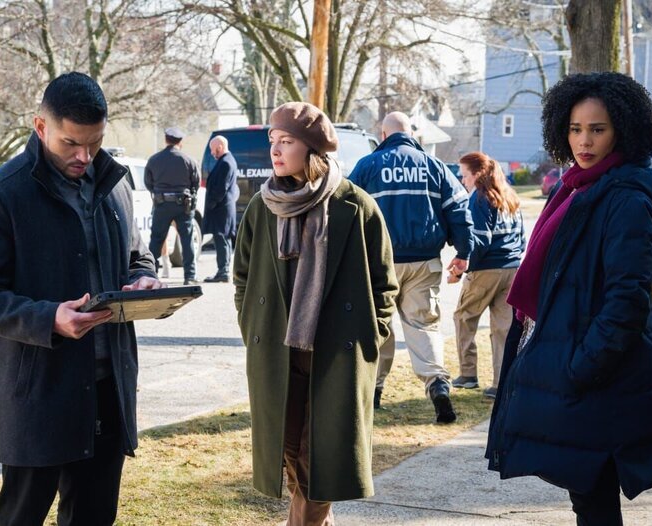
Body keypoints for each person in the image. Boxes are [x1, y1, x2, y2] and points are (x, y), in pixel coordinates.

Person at [0, 72, 161, 526]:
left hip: (109, 390)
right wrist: (50, 317)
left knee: (93, 518)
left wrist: (144, 279)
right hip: (38, 394)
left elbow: (138, 256)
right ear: (40, 126)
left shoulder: (116, 185)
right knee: (22, 517)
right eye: (71, 143)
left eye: (95, 142)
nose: (84, 157)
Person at [486, 72, 652, 525]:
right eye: (576, 129)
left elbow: (627, 298)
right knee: (587, 498)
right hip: (573, 360)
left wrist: (582, 366)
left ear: (623, 131)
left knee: (593, 500)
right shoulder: (576, 187)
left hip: (599, 374)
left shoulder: (626, 197)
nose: (584, 140)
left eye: (598, 129)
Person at [233, 102, 398, 525]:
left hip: (335, 356)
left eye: (286, 141)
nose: (275, 149)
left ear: (312, 151)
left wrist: (370, 336)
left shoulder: (355, 206)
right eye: (273, 140)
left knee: (319, 457)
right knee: (289, 452)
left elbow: (384, 284)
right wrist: (252, 324)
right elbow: (243, 277)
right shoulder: (261, 206)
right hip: (277, 352)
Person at [349, 111, 473, 423]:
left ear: (383, 134)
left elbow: (347, 211)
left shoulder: (367, 166)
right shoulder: (434, 167)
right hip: (424, 260)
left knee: (379, 325)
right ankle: (438, 386)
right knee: (423, 325)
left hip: (378, 262)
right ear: (412, 133)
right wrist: (463, 250)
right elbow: (459, 208)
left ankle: (373, 392)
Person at [449, 152, 525, 400]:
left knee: (464, 316)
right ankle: (500, 383)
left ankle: (468, 375)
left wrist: (464, 268)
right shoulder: (509, 197)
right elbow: (522, 238)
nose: (463, 180)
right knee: (503, 328)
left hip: (486, 270)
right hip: (512, 268)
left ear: (478, 174)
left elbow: (480, 240)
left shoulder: (481, 199)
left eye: (465, 175)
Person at [145, 127, 200, 285]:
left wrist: (158, 193)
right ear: (180, 142)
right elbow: (195, 183)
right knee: (187, 240)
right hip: (183, 204)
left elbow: (148, 182)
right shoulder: (188, 160)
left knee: (156, 240)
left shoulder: (154, 159)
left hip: (161, 204)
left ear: (166, 140)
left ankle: (150, 274)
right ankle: (189, 276)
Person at [202, 135, 239, 282]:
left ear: (220, 147)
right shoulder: (227, 161)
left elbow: (220, 188)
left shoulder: (225, 163)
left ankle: (223, 271)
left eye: (213, 150)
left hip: (221, 209)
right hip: (224, 208)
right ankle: (223, 270)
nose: (212, 153)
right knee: (224, 239)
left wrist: (211, 204)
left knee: (221, 239)